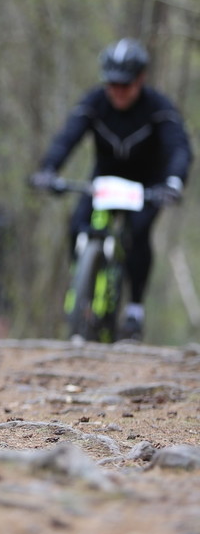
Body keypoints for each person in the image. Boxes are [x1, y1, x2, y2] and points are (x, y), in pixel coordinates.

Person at [30, 37, 192, 339]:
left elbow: (178, 147)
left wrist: (173, 182)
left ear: (140, 80)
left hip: (147, 186)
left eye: (125, 85)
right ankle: (82, 293)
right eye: (112, 84)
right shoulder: (95, 103)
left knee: (137, 235)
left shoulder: (158, 107)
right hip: (104, 181)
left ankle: (134, 310)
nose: (117, 92)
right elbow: (68, 137)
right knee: (76, 225)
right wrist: (48, 170)